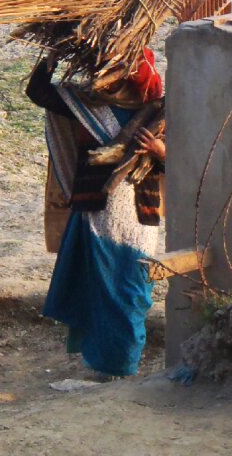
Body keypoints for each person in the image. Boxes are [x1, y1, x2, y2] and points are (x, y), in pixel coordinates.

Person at [26, 47, 165, 378]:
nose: (107, 83)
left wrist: (160, 150)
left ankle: (123, 367)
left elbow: (184, 163)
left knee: (130, 292)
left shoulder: (158, 112)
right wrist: (51, 59)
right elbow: (39, 93)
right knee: (96, 289)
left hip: (138, 219)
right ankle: (102, 367)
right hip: (95, 215)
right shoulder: (85, 105)